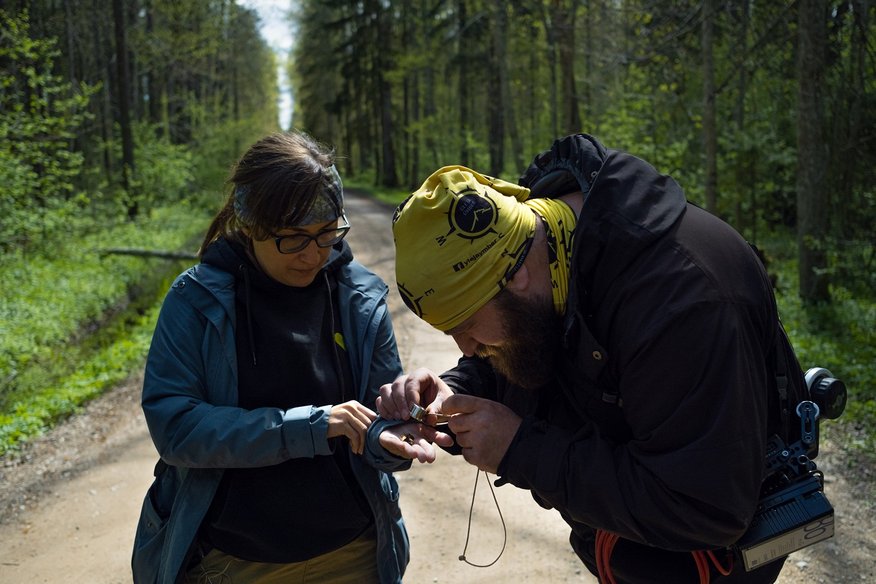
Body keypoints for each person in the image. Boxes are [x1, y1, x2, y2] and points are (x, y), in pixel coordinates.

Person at [378, 133, 806, 583]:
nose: (465, 347)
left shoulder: (682, 301)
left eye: (466, 325)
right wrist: (458, 388)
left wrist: (521, 450)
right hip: (625, 547)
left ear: (516, 277)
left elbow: (706, 506)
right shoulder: (546, 246)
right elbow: (533, 342)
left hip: (711, 562)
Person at [131, 130, 444, 584]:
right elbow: (177, 429)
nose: (313, 254)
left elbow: (372, 424)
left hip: (353, 555)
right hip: (235, 561)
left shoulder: (360, 297)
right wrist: (309, 427)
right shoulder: (196, 300)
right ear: (251, 225)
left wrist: (392, 435)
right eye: (293, 238)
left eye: (326, 234)